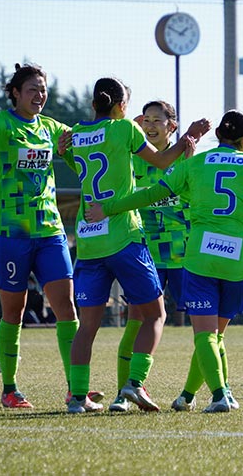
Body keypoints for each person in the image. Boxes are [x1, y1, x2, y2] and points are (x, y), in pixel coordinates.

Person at [86, 110, 243, 412]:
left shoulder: (195, 164)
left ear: (218, 136)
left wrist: (108, 208)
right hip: (238, 261)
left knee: (204, 335)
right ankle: (189, 395)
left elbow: (151, 195)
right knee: (216, 335)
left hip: (201, 258)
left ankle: (217, 393)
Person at [57, 77, 209, 414]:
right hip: (125, 237)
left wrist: (63, 153)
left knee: (88, 325)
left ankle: (78, 398)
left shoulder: (76, 133)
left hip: (90, 240)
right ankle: (133, 384)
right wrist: (188, 139)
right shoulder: (125, 130)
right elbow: (162, 162)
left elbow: (81, 170)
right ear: (123, 106)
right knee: (156, 315)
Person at [0, 63, 83, 409]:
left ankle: (76, 388)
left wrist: (115, 128)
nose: (40, 95)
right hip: (10, 234)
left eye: (43, 90)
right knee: (13, 313)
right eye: (33, 89)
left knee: (67, 307)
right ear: (16, 93)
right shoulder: (2, 124)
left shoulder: (50, 127)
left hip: (50, 231)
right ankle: (10, 389)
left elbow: (83, 140)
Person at [106, 99, 195, 413]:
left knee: (204, 326)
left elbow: (194, 196)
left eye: (158, 120)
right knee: (136, 321)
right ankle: (123, 393)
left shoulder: (186, 155)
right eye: (147, 120)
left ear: (172, 126)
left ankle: (195, 392)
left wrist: (190, 159)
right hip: (145, 252)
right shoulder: (133, 156)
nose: (151, 125)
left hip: (183, 253)